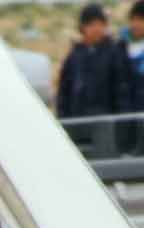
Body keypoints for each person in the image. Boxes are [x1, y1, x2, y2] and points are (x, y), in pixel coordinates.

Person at [59, 4, 138, 156]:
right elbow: (64, 93)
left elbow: (123, 93)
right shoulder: (74, 56)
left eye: (101, 24)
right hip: (77, 126)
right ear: (83, 27)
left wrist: (124, 130)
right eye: (92, 24)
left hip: (106, 127)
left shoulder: (116, 53)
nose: (97, 29)